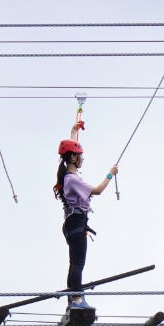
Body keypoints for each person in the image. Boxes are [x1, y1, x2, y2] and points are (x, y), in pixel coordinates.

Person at [55, 120, 117, 307]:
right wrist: (110, 174)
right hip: (76, 224)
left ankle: (73, 299)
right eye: (80, 156)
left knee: (74, 262)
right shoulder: (73, 179)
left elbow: (69, 152)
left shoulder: (67, 174)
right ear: (73, 159)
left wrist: (73, 131)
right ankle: (76, 298)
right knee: (78, 264)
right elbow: (97, 190)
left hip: (72, 224)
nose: (82, 158)